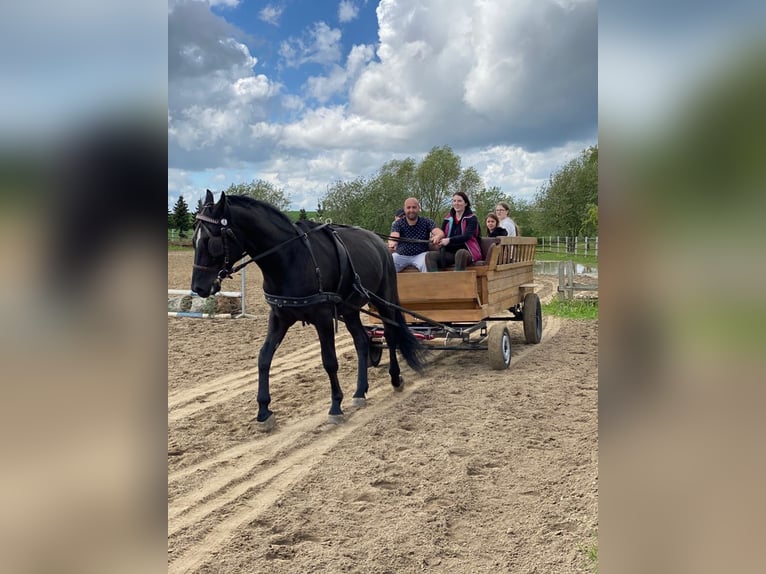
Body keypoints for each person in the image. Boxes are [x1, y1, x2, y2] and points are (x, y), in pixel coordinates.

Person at [426, 192, 482, 271]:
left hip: (467, 251)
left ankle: (458, 281)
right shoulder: (448, 218)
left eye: (459, 201)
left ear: (465, 203)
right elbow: (442, 234)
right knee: (430, 256)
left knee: (460, 253)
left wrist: (449, 240)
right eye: (454, 201)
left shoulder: (472, 218)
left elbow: (466, 236)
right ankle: (436, 281)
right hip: (450, 252)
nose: (456, 203)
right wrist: (437, 238)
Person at [388, 198, 444, 272]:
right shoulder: (398, 223)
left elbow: (439, 232)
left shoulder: (427, 222)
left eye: (414, 207)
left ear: (418, 208)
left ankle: (430, 283)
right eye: (408, 207)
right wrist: (392, 242)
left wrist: (438, 236)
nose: (411, 210)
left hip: (421, 255)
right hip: (401, 256)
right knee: (388, 264)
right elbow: (394, 235)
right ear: (404, 209)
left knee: (428, 263)